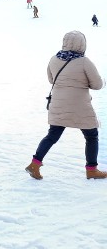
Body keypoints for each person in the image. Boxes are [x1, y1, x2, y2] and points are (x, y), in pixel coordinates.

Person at [25, 31, 106, 180]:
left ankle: (34, 164)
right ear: (82, 44)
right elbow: (97, 84)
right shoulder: (84, 61)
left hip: (59, 104)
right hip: (79, 106)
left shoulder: (54, 59)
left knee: (52, 135)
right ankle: (91, 170)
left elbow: (51, 80)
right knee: (91, 136)